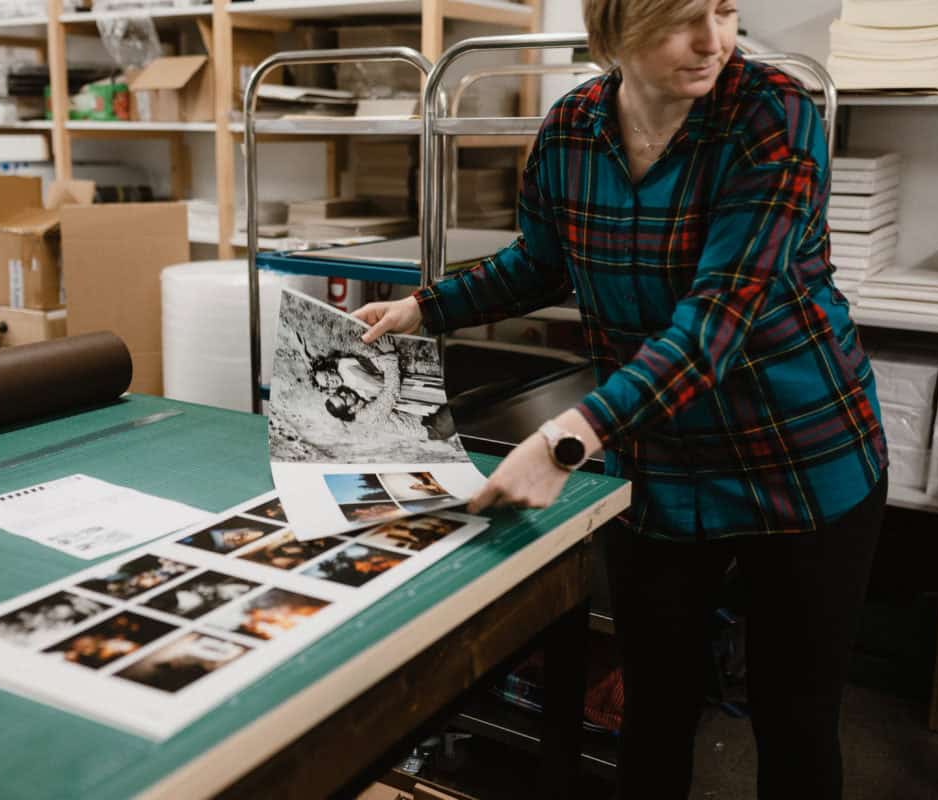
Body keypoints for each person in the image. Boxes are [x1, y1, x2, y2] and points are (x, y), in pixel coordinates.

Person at [353, 1, 889, 798]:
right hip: (662, 464)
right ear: (613, 29)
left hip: (801, 456)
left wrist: (570, 439)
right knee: (656, 712)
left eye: (724, 9)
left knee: (795, 720)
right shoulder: (572, 129)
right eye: (681, 19)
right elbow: (539, 263)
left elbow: (719, 317)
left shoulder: (774, 115)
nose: (713, 41)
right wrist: (424, 309)